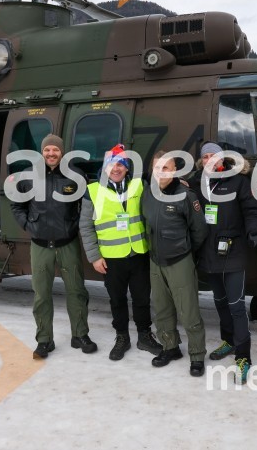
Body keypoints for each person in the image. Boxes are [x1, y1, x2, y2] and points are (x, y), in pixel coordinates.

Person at [9, 134, 97, 360]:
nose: (51, 154)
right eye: (47, 150)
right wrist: (29, 225)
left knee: (76, 291)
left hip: (67, 244)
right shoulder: (28, 177)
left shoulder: (75, 175)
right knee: (41, 295)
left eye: (55, 150)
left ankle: (80, 334)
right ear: (42, 152)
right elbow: (17, 204)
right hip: (40, 246)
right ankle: (44, 340)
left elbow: (87, 205)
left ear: (62, 151)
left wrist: (73, 226)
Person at [79, 144, 163, 361]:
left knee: (142, 298)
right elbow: (86, 226)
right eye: (111, 165)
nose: (115, 169)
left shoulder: (139, 185)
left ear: (126, 168)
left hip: (139, 254)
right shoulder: (92, 191)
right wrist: (94, 256)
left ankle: (144, 335)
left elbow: (160, 193)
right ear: (105, 168)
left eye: (120, 164)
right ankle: (122, 336)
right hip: (111, 258)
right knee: (117, 299)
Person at [190, 142, 257, 384]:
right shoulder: (198, 181)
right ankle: (228, 341)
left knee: (236, 306)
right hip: (208, 252)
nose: (210, 158)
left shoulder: (239, 181)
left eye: (214, 154)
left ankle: (243, 357)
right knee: (219, 301)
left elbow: (252, 209)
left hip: (233, 250)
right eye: (206, 156)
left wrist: (253, 231)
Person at [142, 150, 209, 377]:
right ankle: (170, 347)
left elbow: (199, 230)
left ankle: (197, 354)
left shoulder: (186, 196)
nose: (162, 172)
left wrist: (187, 252)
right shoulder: (148, 194)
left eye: (167, 167)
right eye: (157, 167)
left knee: (188, 310)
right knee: (162, 309)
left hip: (180, 260)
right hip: (155, 262)